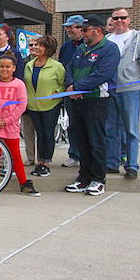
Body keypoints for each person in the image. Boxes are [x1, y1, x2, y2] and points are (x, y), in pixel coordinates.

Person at [64, 14, 119, 196]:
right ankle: (84, 177)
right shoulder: (81, 49)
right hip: (78, 101)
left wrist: (78, 87)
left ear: (97, 30)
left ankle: (98, 179)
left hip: (97, 101)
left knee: (96, 141)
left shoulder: (109, 49)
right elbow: (69, 68)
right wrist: (71, 87)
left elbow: (102, 74)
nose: (82, 33)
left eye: (85, 30)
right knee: (82, 141)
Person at [105, 8, 140, 179]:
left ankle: (132, 165)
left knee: (131, 129)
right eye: (116, 18)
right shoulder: (107, 40)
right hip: (110, 90)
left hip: (130, 89)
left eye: (123, 17)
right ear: (111, 20)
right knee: (110, 129)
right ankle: (112, 163)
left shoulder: (138, 37)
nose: (119, 20)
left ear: (129, 20)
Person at [0, 51, 40, 196]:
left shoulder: (19, 84)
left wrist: (7, 121)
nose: (4, 69)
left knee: (15, 154)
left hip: (11, 126)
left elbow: (21, 105)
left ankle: (24, 182)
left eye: (8, 67)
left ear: (14, 68)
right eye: (1, 66)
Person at [25, 35, 65, 177]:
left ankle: (45, 163)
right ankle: (39, 163)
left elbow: (63, 85)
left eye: (40, 46)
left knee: (48, 134)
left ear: (47, 49)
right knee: (39, 134)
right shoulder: (29, 65)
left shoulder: (57, 67)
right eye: (34, 45)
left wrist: (57, 92)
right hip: (33, 106)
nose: (36, 48)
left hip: (50, 106)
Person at [58, 14, 85, 168]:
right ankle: (74, 154)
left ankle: (87, 155)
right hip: (69, 90)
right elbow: (64, 67)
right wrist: (70, 86)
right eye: (67, 27)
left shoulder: (88, 45)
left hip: (86, 91)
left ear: (81, 28)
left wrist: (80, 87)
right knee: (73, 124)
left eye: (71, 27)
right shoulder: (66, 47)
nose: (68, 30)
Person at [21, 35, 40, 167]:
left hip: (43, 104)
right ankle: (30, 157)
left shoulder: (48, 62)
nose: (33, 47)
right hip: (27, 103)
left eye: (36, 45)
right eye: (31, 45)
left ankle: (41, 158)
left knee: (41, 132)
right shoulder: (23, 63)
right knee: (28, 131)